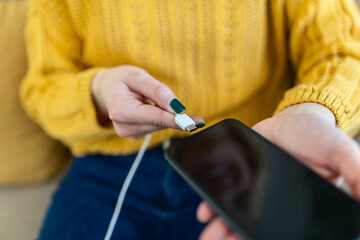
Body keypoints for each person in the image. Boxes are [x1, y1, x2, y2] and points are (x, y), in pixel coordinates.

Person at [20, 0, 360, 239]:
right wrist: (98, 90)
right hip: (111, 169)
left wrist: (309, 111)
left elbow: (341, 50)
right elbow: (42, 91)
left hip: (253, 152)